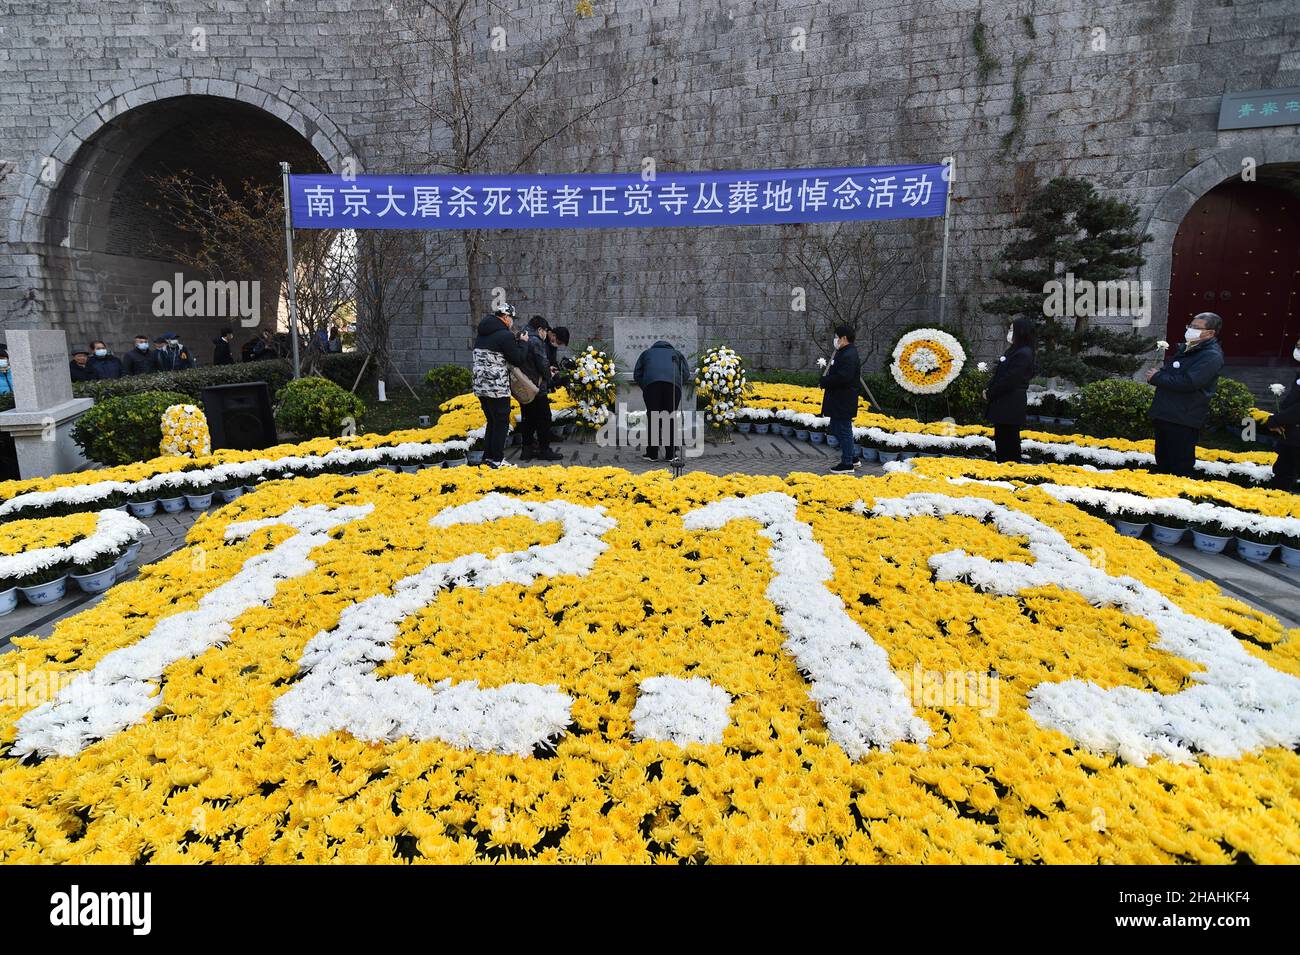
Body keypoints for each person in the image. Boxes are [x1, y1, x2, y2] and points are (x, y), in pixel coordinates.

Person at [1146, 312, 1224, 477]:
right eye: (1190, 326)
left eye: (1197, 328)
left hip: (1183, 417)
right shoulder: (1190, 348)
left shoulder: (1211, 355)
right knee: (1163, 461)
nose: (1191, 330)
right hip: (1167, 414)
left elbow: (1190, 382)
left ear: (1210, 333)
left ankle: (1179, 498)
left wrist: (1157, 377)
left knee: (1179, 465)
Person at [472, 303, 529, 469]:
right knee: (501, 423)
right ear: (505, 317)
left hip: (481, 386)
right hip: (497, 387)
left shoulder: (483, 333)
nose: (512, 321)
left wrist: (515, 340)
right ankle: (497, 459)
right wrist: (523, 343)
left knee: (492, 421)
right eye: (511, 318)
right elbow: (518, 358)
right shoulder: (504, 335)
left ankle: (488, 458)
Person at [984, 317, 1037, 463]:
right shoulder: (1015, 351)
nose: (1009, 332)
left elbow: (1010, 379)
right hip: (1005, 402)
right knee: (1002, 438)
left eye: (1012, 330)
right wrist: (989, 388)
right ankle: (1004, 466)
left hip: (1010, 403)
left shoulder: (1023, 353)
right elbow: (1000, 374)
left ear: (1021, 332)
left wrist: (990, 393)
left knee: (1009, 440)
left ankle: (1010, 469)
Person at [633, 339, 689, 463]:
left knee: (653, 418)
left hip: (652, 386)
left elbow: (637, 374)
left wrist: (646, 385)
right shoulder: (677, 353)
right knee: (669, 417)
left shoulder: (646, 353)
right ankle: (670, 454)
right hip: (673, 386)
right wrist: (677, 384)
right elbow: (685, 373)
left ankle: (652, 454)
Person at [519, 316, 563, 461]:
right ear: (540, 329)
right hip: (537, 387)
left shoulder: (521, 336)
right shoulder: (536, 341)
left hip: (524, 386)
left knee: (527, 419)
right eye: (545, 331)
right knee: (544, 418)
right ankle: (545, 450)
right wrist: (549, 373)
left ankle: (527, 449)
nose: (546, 334)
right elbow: (542, 363)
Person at [820, 324, 862, 473]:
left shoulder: (849, 354)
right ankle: (852, 457)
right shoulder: (845, 352)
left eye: (837, 336)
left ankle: (847, 463)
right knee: (838, 428)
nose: (835, 339)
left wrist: (826, 381)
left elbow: (844, 377)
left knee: (842, 429)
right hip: (840, 399)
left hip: (843, 399)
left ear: (844, 338)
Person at [1262, 336, 1300, 492]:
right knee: (1283, 473)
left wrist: (1276, 420)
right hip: (1292, 435)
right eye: (1297, 345)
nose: (1297, 350)